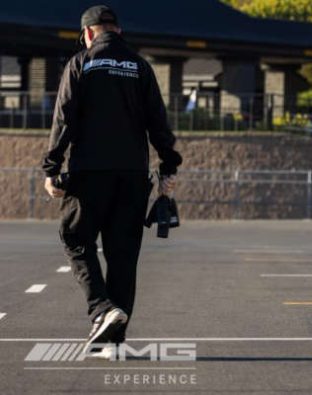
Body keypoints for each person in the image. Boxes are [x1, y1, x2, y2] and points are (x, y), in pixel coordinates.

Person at [41, 5, 183, 359]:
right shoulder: (140, 66)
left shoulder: (81, 63)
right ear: (117, 31)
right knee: (122, 254)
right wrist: (169, 166)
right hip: (133, 177)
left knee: (74, 236)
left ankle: (102, 309)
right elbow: (158, 122)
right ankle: (114, 343)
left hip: (89, 173)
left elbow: (64, 116)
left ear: (88, 33)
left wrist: (51, 166)